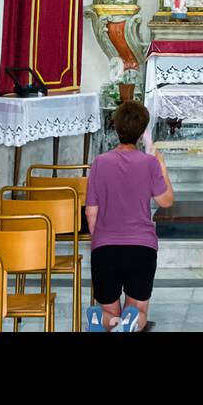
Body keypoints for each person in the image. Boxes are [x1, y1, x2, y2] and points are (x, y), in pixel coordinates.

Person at [85, 100, 174, 332]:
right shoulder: (149, 163)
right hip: (140, 247)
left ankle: (102, 320)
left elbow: (90, 209)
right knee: (138, 311)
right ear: (142, 129)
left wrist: (98, 240)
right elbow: (166, 201)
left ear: (116, 127)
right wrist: (162, 166)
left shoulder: (99, 163)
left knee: (108, 310)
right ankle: (130, 322)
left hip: (105, 247)